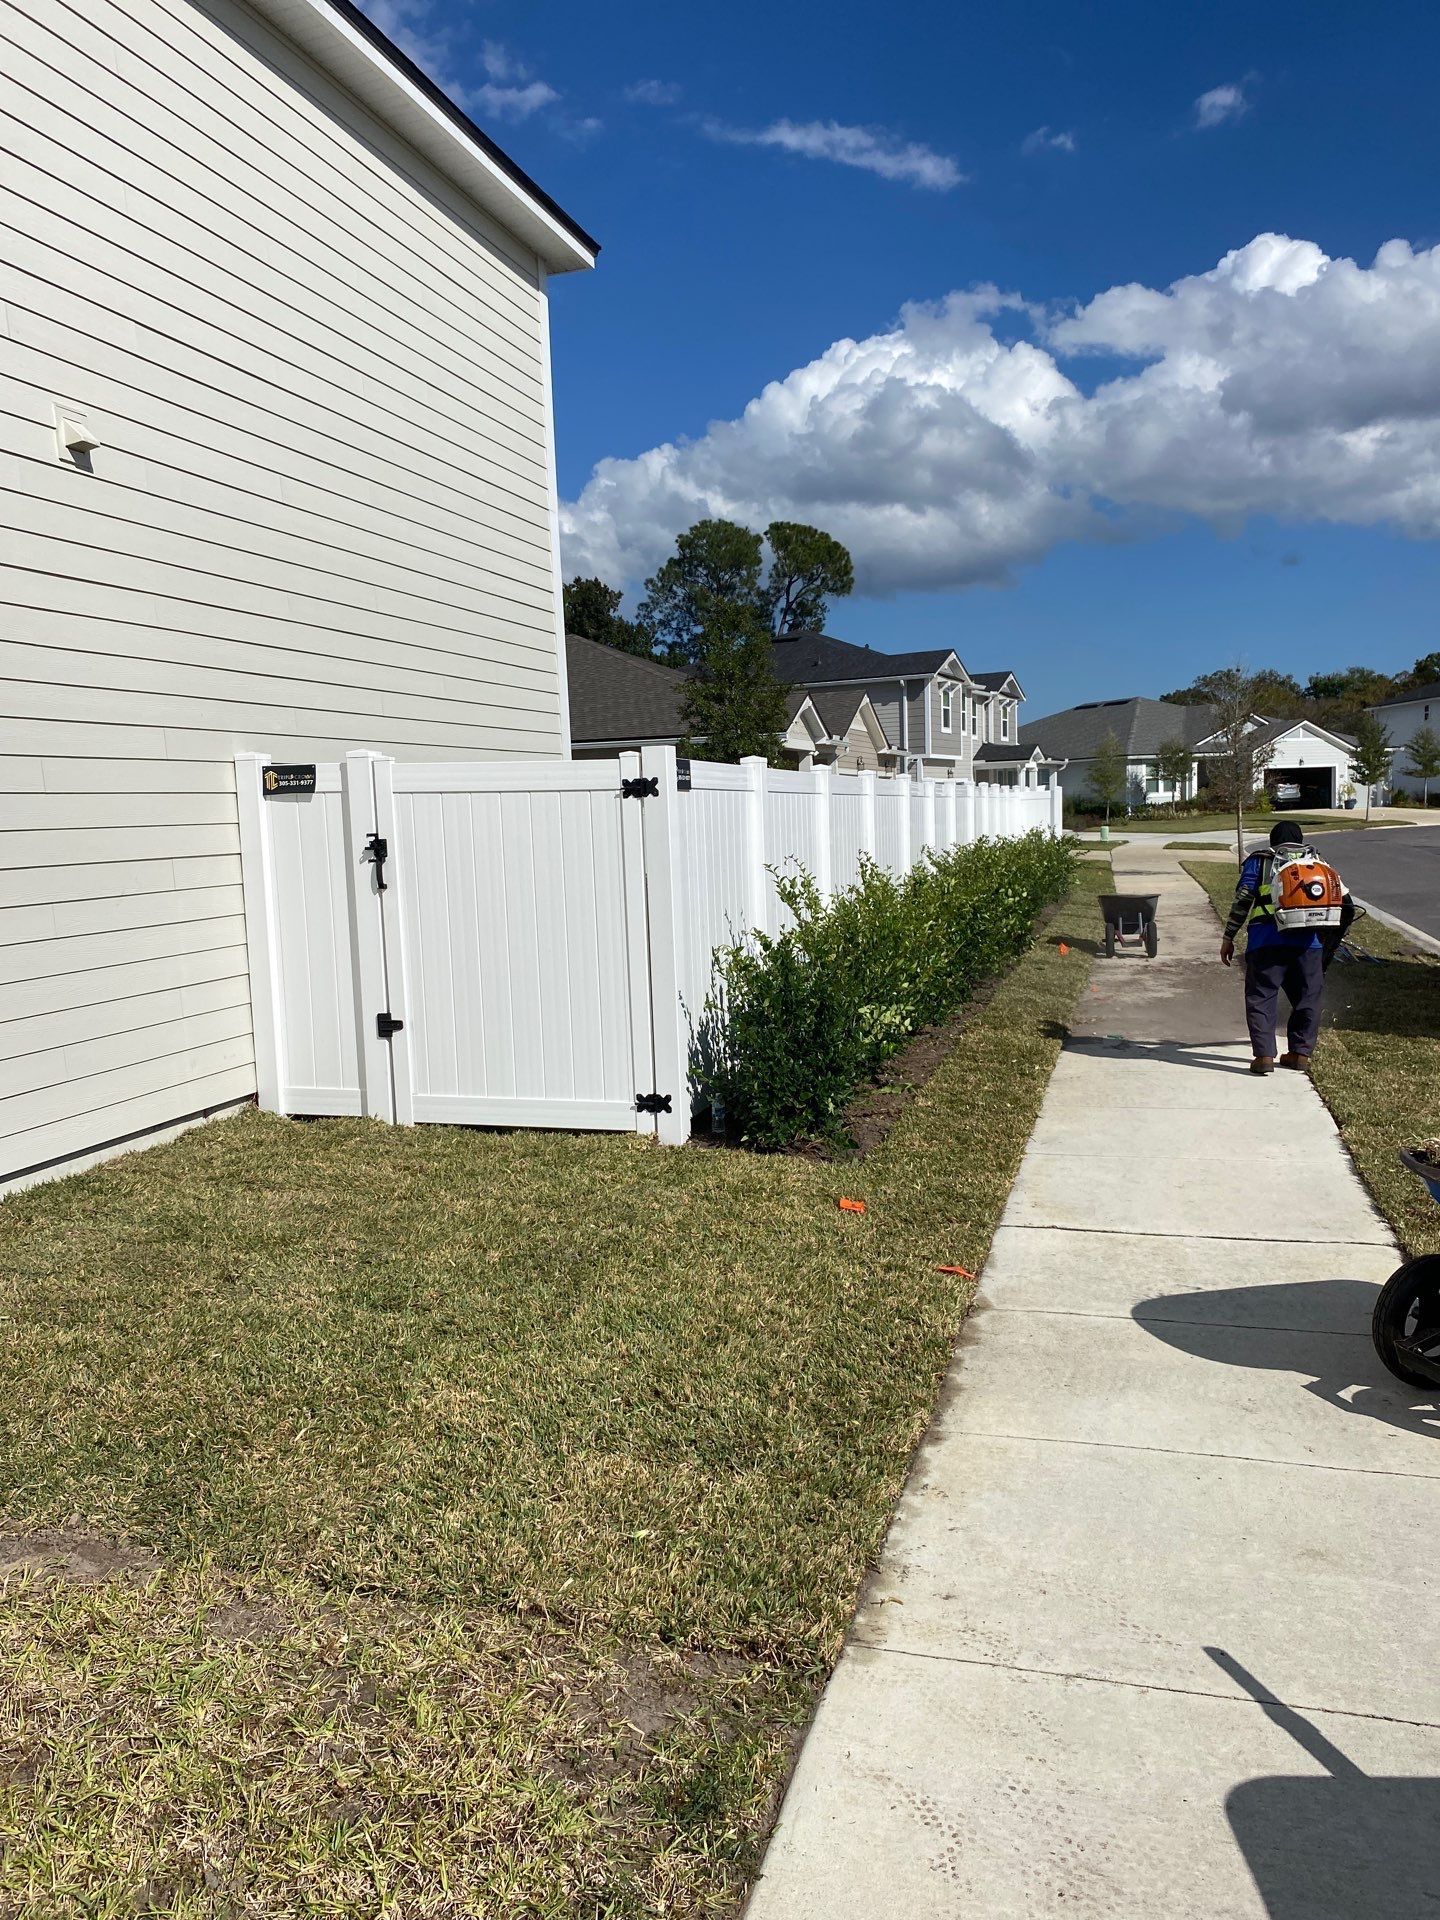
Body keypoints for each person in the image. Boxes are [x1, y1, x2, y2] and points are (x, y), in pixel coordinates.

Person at [1220, 820, 1353, 1075]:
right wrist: (1328, 940)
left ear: (1272, 841)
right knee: (1308, 997)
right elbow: (1345, 903)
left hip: (1266, 942)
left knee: (1262, 996)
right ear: (1300, 841)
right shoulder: (1317, 862)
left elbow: (1243, 899)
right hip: (1308, 944)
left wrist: (1229, 936)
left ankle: (1264, 1057)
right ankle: (1299, 1054)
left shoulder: (1259, 861)